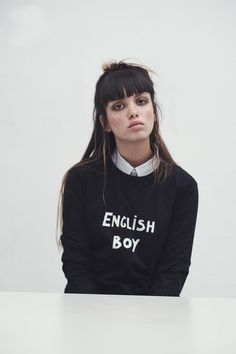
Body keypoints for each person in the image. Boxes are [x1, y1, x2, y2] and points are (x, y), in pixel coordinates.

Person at [57, 59, 199, 296]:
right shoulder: (80, 180)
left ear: (153, 111)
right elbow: (76, 265)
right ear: (105, 122)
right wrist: (92, 316)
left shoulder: (182, 187)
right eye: (119, 106)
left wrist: (148, 323)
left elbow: (173, 272)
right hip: (87, 314)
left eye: (141, 101)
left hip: (154, 317)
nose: (133, 111)